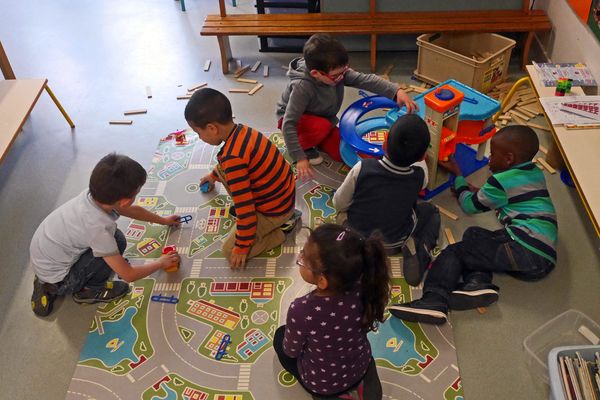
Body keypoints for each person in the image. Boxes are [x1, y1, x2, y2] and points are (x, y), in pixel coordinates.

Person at [389, 125, 558, 324]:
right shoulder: (535, 173)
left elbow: (470, 206)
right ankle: (477, 283)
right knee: (474, 234)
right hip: (541, 259)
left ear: (509, 158)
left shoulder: (500, 180)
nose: (489, 159)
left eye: (493, 154)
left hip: (523, 247)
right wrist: (479, 192)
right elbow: (507, 199)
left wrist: (459, 178)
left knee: (455, 252)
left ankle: (433, 299)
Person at [30, 153, 181, 317]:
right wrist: (161, 262)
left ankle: (45, 281)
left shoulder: (94, 195)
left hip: (45, 259)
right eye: (136, 193)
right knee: (117, 241)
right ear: (123, 201)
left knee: (116, 239)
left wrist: (163, 221)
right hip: (62, 278)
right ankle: (86, 291)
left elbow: (132, 210)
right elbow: (128, 275)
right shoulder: (98, 228)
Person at [276, 33, 418, 181]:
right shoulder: (302, 87)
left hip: (322, 119)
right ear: (315, 73)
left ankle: (316, 139)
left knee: (343, 151)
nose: (342, 77)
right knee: (322, 126)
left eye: (345, 71)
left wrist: (396, 91)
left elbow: (366, 80)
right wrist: (299, 157)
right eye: (337, 75)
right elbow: (288, 123)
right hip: (293, 120)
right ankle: (304, 146)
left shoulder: (337, 73)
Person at [185, 88, 300, 269]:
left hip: (275, 211)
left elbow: (245, 208)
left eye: (199, 133)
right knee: (226, 169)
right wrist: (214, 176)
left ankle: (280, 232)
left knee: (229, 251)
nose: (200, 138)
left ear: (212, 128)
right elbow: (230, 166)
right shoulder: (242, 131)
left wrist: (241, 246)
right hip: (282, 194)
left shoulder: (233, 159)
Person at [273, 224, 390, 399]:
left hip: (322, 383)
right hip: (360, 364)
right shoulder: (365, 283)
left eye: (303, 258)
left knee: (279, 337)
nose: (299, 256)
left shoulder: (301, 310)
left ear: (321, 281)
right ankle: (365, 383)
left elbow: (291, 351)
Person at [333, 114, 440, 286]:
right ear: (422, 157)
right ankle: (417, 248)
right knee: (431, 211)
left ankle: (353, 249)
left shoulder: (362, 168)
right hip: (393, 243)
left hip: (359, 239)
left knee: (341, 212)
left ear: (383, 144)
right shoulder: (420, 176)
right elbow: (420, 177)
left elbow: (338, 203)